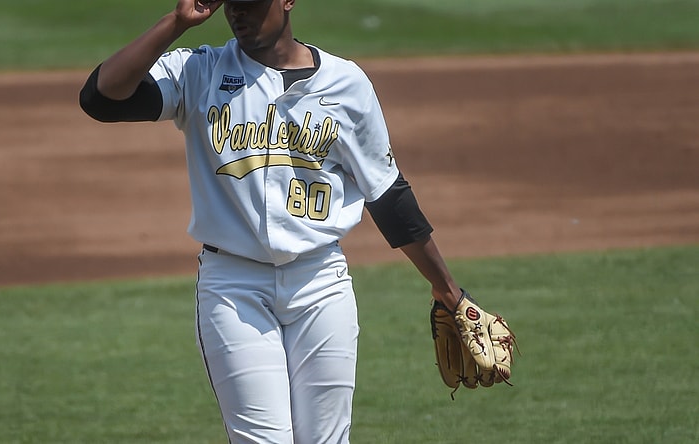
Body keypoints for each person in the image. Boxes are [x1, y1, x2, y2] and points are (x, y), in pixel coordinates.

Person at [79, 1, 466, 442]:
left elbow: (389, 197)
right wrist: (177, 22)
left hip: (321, 282)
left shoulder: (346, 83)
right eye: (233, 4)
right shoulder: (199, 71)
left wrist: (447, 289)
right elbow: (101, 98)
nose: (240, 13)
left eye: (253, 3)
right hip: (233, 287)